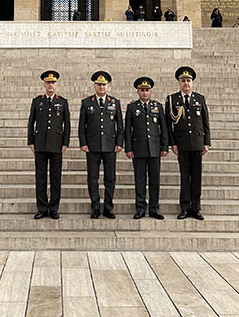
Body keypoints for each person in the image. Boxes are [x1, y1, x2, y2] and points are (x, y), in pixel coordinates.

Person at [78, 71, 123, 219]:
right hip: (92, 146)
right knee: (93, 178)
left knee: (110, 178)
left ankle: (108, 207)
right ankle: (95, 207)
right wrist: (83, 143)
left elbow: (120, 126)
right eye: (99, 84)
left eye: (104, 85)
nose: (101, 87)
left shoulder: (114, 102)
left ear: (108, 86)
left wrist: (119, 143)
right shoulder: (87, 103)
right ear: (94, 85)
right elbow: (81, 126)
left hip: (110, 146)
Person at [167, 66, 210, 220]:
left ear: (192, 82)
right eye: (183, 80)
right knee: (185, 177)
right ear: (179, 82)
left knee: (196, 177)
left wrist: (206, 142)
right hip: (182, 144)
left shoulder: (200, 98)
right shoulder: (172, 99)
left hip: (197, 143)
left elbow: (205, 122)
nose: (186, 83)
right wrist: (172, 143)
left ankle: (196, 208)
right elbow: (168, 124)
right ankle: (184, 207)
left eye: (188, 80)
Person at [27, 70, 70, 220]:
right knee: (40, 178)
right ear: (44, 84)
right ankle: (42, 208)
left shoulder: (62, 102)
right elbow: (31, 122)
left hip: (57, 145)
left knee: (55, 178)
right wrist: (31, 141)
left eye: (53, 82)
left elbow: (67, 124)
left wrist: (65, 143)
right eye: (48, 82)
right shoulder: (37, 101)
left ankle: (54, 208)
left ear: (56, 84)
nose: (50, 85)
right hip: (40, 144)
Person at [124, 77, 168, 220]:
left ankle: (154, 208)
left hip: (155, 148)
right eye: (142, 90)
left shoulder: (158, 106)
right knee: (140, 180)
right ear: (137, 91)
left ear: (151, 91)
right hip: (138, 149)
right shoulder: (132, 107)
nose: (144, 93)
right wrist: (128, 148)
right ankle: (140, 208)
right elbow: (127, 130)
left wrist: (164, 146)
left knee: (155, 180)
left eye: (147, 90)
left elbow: (164, 128)